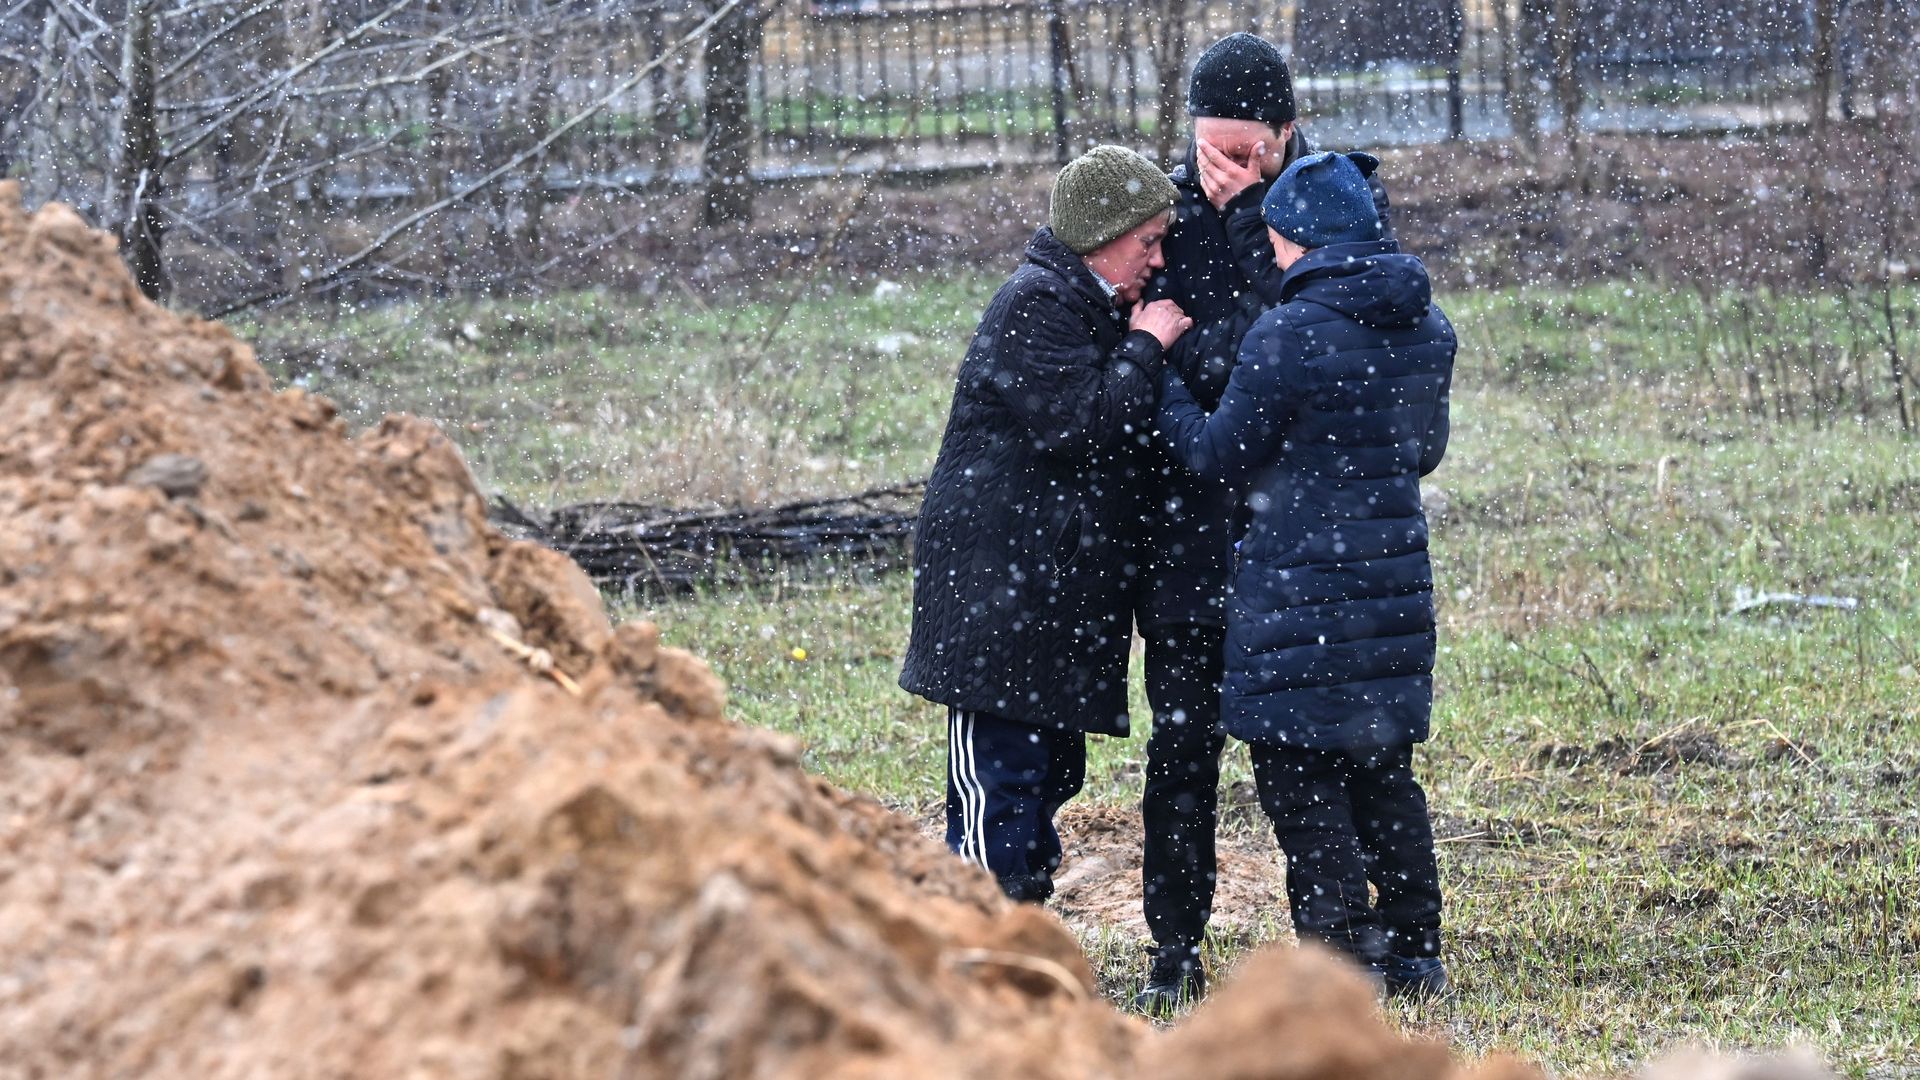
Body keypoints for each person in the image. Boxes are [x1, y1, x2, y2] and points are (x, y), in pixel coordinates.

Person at [1132, 30, 1393, 1012]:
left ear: (1289, 130)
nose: (1226, 170)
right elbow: (1161, 350)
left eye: (1249, 150)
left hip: (1301, 543)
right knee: (1182, 753)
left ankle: (1341, 952)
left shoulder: (1336, 209)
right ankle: (1173, 947)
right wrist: (1209, 367)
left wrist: (1250, 224)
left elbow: (1295, 353)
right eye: (1213, 150)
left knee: (1316, 756)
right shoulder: (1165, 217)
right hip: (1191, 536)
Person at [1155, 149, 1455, 999]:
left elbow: (1216, 455)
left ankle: (1338, 957)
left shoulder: (1285, 335)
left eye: (1280, 244)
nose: (1275, 260)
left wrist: (1167, 379)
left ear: (1303, 241)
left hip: (1298, 594)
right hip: (1391, 594)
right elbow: (1422, 450)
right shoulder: (1428, 328)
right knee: (1385, 777)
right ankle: (1416, 954)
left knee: (1301, 780)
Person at [900, 145, 1192, 903]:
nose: (1157, 261)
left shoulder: (1085, 303)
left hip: (1042, 594)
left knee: (1047, 770)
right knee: (1000, 779)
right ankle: (982, 936)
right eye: (1147, 241)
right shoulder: (1036, 303)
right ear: (1100, 235)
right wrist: (1145, 345)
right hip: (997, 595)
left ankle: (1018, 924)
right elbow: (1085, 425)